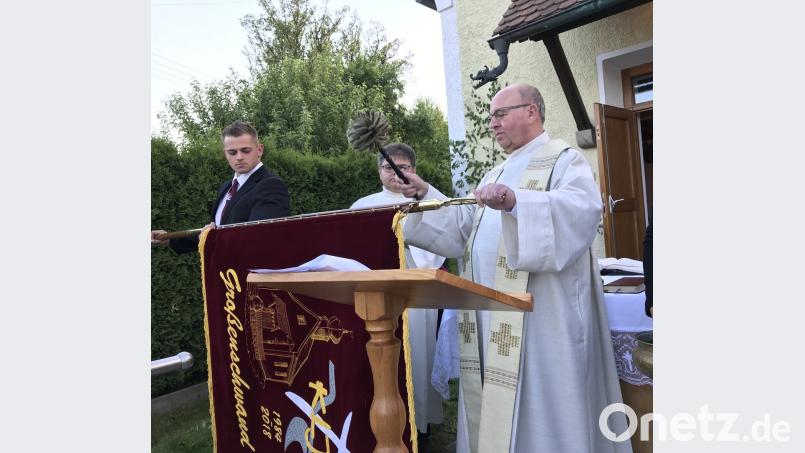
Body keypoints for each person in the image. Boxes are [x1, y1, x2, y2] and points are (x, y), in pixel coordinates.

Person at [396, 84, 631, 452]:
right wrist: (427, 192)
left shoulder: (564, 160)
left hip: (544, 321)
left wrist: (516, 201)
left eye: (500, 114)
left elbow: (581, 213)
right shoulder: (495, 173)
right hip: (495, 322)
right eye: (491, 116)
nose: (492, 124)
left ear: (532, 112)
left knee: (544, 407)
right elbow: (465, 231)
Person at [350, 143, 445, 439]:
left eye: (403, 167)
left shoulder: (426, 199)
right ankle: (379, 422)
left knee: (415, 353)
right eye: (389, 167)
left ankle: (419, 424)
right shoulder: (361, 206)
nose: (396, 173)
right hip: (375, 288)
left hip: (412, 289)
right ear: (379, 170)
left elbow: (440, 242)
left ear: (413, 170)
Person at [151, 121, 290, 253]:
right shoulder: (227, 186)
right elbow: (214, 229)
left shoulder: (271, 185)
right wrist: (170, 239)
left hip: (249, 276)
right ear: (225, 154)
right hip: (222, 274)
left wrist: (212, 237)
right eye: (232, 152)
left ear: (259, 150)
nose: (239, 157)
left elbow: (259, 237)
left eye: (245, 150)